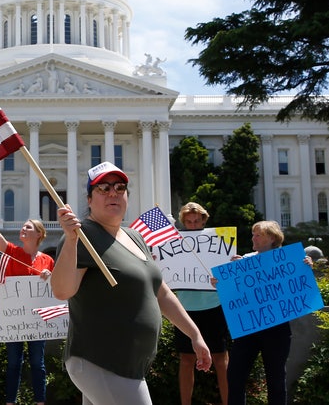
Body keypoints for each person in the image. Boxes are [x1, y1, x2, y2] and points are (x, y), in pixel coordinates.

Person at [51, 161, 213, 405]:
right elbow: (62, 291)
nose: (113, 193)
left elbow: (161, 293)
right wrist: (72, 241)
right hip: (101, 361)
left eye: (119, 187)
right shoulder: (83, 234)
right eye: (103, 188)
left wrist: (194, 334)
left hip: (127, 366)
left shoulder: (135, 237)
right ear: (89, 199)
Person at [0, 196, 55, 405]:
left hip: (37, 320)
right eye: (23, 228)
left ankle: (40, 402)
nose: (23, 230)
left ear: (39, 234)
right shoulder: (12, 252)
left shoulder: (48, 260)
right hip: (14, 321)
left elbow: (56, 289)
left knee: (38, 363)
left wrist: (49, 275)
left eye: (28, 228)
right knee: (13, 364)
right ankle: (10, 402)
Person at [224, 221, 313, 405]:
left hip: (276, 329)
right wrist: (222, 281)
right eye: (253, 234)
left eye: (258, 235)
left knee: (276, 379)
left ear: (272, 238)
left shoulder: (288, 260)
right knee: (234, 376)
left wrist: (306, 267)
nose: (253, 238)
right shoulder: (244, 260)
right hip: (248, 327)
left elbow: (299, 288)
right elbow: (233, 292)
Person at [174, 202, 230, 405]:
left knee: (220, 359)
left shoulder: (219, 241)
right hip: (185, 309)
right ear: (183, 222)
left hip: (214, 306)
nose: (193, 224)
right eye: (188, 221)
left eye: (197, 220)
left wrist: (231, 265)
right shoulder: (175, 242)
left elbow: (229, 271)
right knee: (187, 359)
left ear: (204, 220)